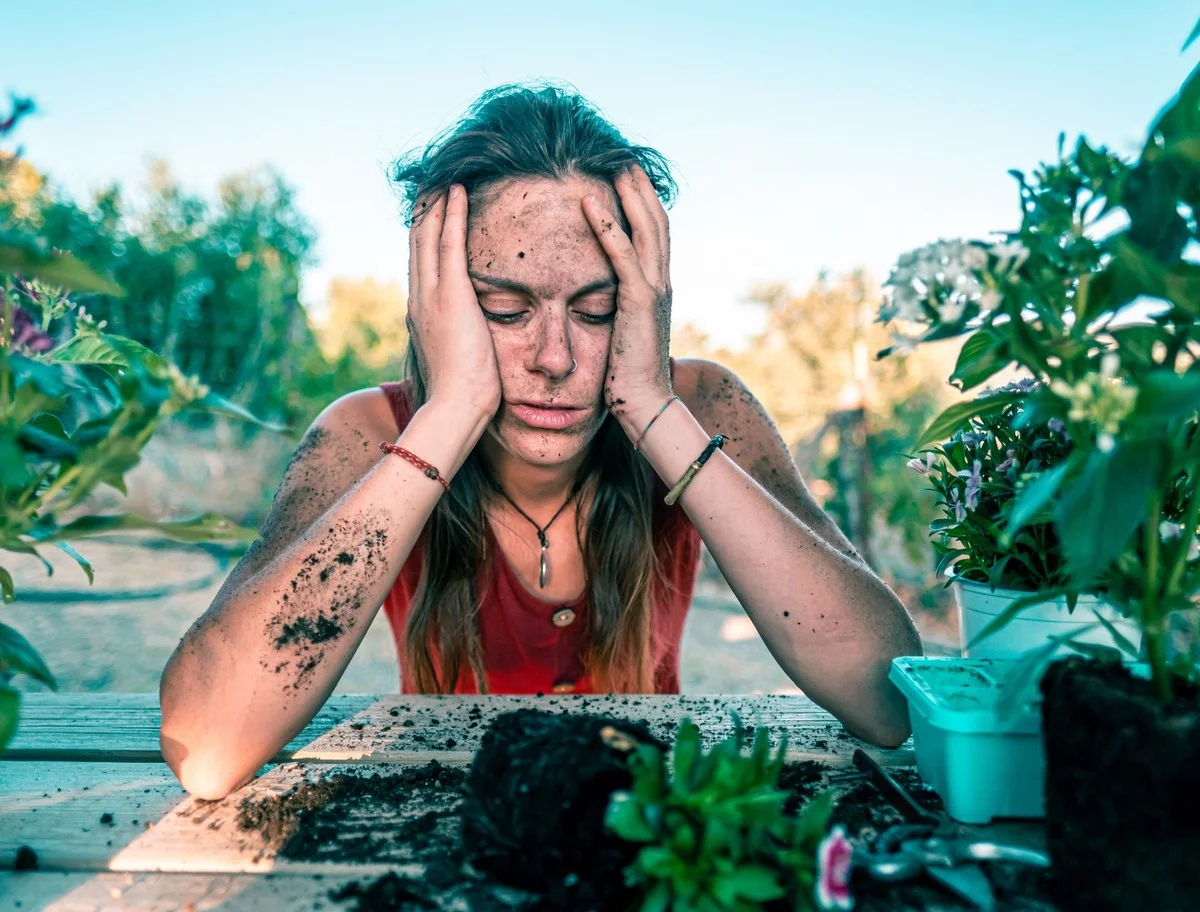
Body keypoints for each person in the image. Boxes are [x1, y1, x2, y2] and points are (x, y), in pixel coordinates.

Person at [159, 82, 923, 799]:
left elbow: (886, 697)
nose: (555, 358)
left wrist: (654, 408)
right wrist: (451, 408)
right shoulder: (369, 433)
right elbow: (209, 745)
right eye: (502, 308)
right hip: (442, 820)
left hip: (648, 826)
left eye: (596, 312)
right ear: (437, 306)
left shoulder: (702, 405)